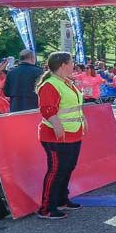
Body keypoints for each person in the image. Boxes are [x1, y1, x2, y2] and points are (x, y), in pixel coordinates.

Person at [36, 52, 85, 220]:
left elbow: (74, 105)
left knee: (67, 168)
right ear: (63, 65)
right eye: (71, 62)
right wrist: (57, 126)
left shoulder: (66, 82)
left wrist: (82, 120)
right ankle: (46, 208)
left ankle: (62, 199)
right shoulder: (50, 84)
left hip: (73, 132)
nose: (74, 65)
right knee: (56, 171)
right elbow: (47, 109)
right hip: (56, 136)